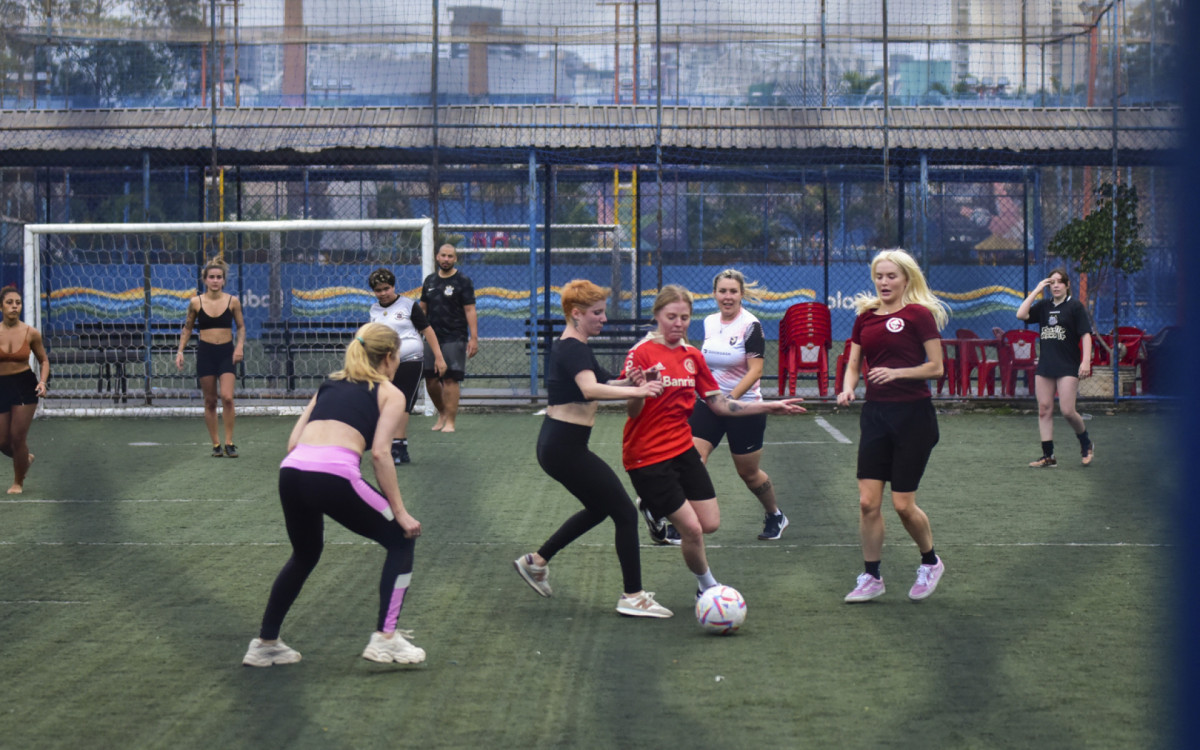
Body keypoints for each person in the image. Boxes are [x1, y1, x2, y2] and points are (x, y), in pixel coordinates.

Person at [243, 322, 425, 668]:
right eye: (398, 355)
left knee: (305, 554)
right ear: (388, 357)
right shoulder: (390, 392)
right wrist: (400, 512)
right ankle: (386, 638)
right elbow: (381, 454)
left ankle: (265, 643)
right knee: (402, 539)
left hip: (292, 473)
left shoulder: (329, 383)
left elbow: (293, 443)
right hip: (334, 476)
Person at [622, 285, 805, 600]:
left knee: (710, 523)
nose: (678, 324)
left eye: (684, 317)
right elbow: (632, 410)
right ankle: (707, 588)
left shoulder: (693, 356)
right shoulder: (641, 353)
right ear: (657, 316)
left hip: (682, 451)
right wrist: (640, 391)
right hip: (649, 455)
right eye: (671, 317)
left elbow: (719, 404)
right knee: (691, 529)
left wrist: (768, 405)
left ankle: (656, 506)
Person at [512, 280, 673, 618]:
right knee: (626, 514)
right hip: (564, 448)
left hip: (561, 446)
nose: (603, 319)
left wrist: (632, 381)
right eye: (597, 313)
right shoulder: (574, 348)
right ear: (576, 314)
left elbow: (604, 383)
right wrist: (639, 394)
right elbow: (589, 390)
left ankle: (536, 562)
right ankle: (633, 595)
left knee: (601, 509)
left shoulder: (577, 346)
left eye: (603, 312)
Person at [836, 249, 948, 603]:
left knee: (902, 505)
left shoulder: (918, 315)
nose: (884, 282)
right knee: (868, 502)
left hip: (914, 417)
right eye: (879, 276)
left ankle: (930, 562)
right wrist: (848, 386)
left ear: (906, 279)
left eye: (891, 276)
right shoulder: (865, 317)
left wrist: (897, 372)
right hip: (876, 416)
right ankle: (872, 576)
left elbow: (936, 367)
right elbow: (854, 362)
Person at [688, 269, 788, 541]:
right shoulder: (709, 322)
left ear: (741, 294)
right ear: (715, 294)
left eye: (733, 292)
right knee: (693, 461)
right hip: (709, 404)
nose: (728, 297)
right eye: (723, 291)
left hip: (744, 407)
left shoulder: (751, 325)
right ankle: (684, 520)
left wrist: (730, 400)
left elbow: (755, 371)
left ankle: (775, 515)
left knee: (749, 473)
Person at [1016, 268, 1095, 468]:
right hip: (1046, 365)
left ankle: (1085, 442)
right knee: (1044, 410)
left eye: (1060, 282)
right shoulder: (1044, 306)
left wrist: (1085, 361)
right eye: (1052, 282)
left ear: (1068, 285)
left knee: (1068, 410)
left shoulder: (1075, 307)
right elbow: (1021, 314)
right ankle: (1048, 456)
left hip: (1068, 365)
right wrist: (1036, 289)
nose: (1056, 285)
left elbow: (1086, 335)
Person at [368, 268, 447, 464]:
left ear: (394, 286)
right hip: (385, 364)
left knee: (402, 402)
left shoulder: (409, 306)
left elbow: (427, 330)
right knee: (386, 403)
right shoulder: (374, 310)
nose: (383, 293)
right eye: (378, 290)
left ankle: (397, 448)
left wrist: (438, 357)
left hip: (411, 359)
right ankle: (398, 448)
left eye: (386, 288)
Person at [176, 258, 246, 458]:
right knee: (210, 401)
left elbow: (241, 327)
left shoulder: (233, 301)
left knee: (227, 397)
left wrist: (239, 346)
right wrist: (180, 351)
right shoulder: (195, 303)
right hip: (206, 353)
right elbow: (188, 328)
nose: (215, 281)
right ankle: (216, 444)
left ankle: (229, 442)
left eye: (219, 277)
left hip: (226, 352)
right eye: (211, 277)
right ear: (205, 280)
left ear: (223, 280)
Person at [419, 244, 478, 433]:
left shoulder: (463, 281)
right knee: (430, 378)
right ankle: (442, 412)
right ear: (437, 257)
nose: (446, 259)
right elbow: (422, 308)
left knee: (451, 378)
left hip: (455, 335)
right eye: (443, 255)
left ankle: (451, 421)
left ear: (455, 259)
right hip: (431, 336)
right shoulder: (429, 281)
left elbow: (470, 310)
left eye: (450, 256)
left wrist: (474, 338)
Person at [0, 288, 48, 494]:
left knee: (17, 437)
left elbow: (43, 360)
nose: (14, 306)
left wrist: (43, 382)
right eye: (9, 302)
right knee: (2, 441)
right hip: (1, 386)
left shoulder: (31, 333)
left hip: (24, 385)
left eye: (17, 302)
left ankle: (18, 482)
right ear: (1, 306)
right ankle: (25, 458)